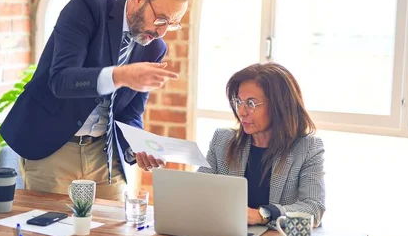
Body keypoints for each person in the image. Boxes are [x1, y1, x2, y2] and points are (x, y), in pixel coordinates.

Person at [0, 0, 192, 201]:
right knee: (52, 234)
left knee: (113, 234)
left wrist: (137, 143)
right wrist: (120, 76)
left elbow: (130, 111)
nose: (161, 32)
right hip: (54, 148)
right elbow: (61, 80)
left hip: (105, 156)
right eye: (160, 19)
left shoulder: (154, 48)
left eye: (171, 24)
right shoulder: (86, 9)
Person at [136, 63, 325, 227]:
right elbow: (200, 191)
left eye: (251, 103)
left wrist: (262, 215)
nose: (242, 112)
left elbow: (313, 208)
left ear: (279, 105)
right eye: (239, 102)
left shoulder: (308, 148)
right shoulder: (223, 140)